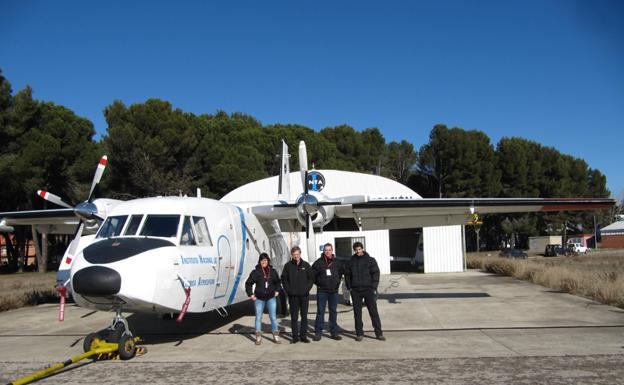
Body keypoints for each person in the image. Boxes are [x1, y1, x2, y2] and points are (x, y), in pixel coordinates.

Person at [345, 242, 384, 341]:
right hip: (356, 291)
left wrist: (374, 287)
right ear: (354, 250)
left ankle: (379, 333)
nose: (358, 251)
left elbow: (376, 273)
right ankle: (359, 334)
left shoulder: (370, 260)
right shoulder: (351, 261)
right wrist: (350, 287)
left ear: (362, 249)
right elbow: (347, 275)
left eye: (359, 249)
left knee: (373, 312)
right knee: (357, 314)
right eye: (356, 250)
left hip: (368, 290)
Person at [245, 253, 282, 345]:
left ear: (268, 261)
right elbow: (248, 283)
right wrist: (251, 294)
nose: (264, 262)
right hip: (259, 299)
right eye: (262, 261)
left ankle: (276, 336)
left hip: (271, 298)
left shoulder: (272, 271)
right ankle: (258, 337)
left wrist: (277, 290)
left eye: (265, 260)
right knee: (258, 318)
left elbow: (278, 282)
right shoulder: (256, 272)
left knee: (273, 317)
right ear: (259, 261)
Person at [281, 246, 314, 343]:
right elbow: (284, 279)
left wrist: (306, 289)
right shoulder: (288, 266)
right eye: (294, 255)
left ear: (300, 254)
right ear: (292, 255)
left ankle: (303, 336)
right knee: (294, 317)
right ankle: (295, 337)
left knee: (304, 316)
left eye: (297, 254)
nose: (296, 256)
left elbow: (311, 279)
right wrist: (288, 290)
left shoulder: (306, 265)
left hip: (304, 296)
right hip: (293, 296)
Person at [311, 243, 344, 341]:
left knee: (333, 312)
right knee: (320, 312)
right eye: (326, 250)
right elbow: (312, 275)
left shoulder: (337, 262)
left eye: (329, 250)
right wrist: (319, 283)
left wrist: (337, 282)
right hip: (322, 291)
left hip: (334, 291)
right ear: (323, 251)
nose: (328, 251)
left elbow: (343, 272)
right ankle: (318, 333)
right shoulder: (318, 262)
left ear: (332, 250)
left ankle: (334, 332)